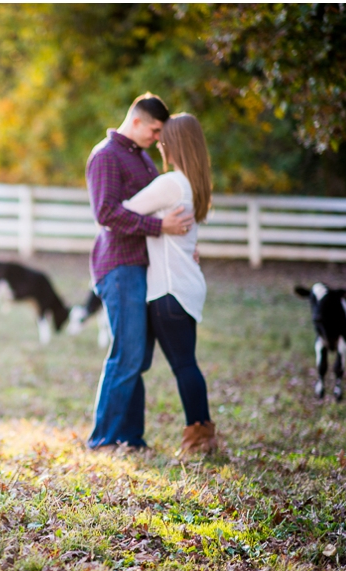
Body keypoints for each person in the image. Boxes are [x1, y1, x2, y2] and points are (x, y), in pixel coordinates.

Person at [85, 93, 194, 450]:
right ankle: (103, 439)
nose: (159, 138)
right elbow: (106, 213)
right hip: (118, 265)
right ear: (137, 121)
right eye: (155, 130)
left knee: (139, 357)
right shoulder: (106, 156)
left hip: (142, 268)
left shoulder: (143, 159)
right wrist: (161, 227)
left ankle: (131, 437)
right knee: (127, 353)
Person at [122, 113, 216, 456]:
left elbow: (124, 211)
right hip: (185, 285)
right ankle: (202, 436)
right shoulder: (193, 183)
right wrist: (162, 223)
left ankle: (200, 440)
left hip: (169, 289)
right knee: (186, 363)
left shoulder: (171, 183)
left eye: (164, 140)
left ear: (175, 145)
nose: (159, 145)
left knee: (182, 366)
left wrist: (156, 223)